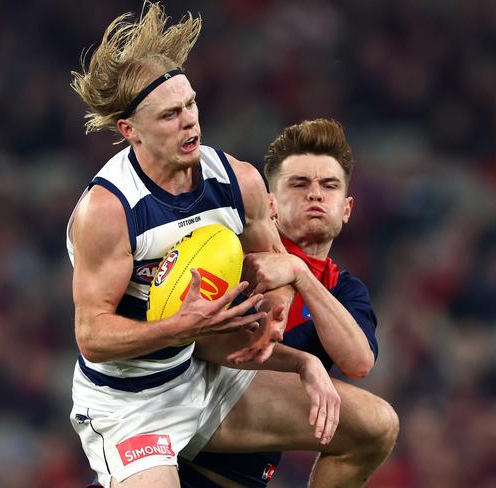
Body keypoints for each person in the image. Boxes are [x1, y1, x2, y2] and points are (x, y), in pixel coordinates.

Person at [67, 3, 341, 487]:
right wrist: (179, 326)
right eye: (171, 115)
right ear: (130, 131)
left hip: (203, 373)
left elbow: (273, 265)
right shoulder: (108, 211)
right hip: (133, 403)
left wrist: (274, 314)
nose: (190, 122)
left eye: (191, 104)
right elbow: (93, 336)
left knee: (375, 428)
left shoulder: (238, 181)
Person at [177, 119, 398, 487]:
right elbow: (193, 337)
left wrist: (300, 274)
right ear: (270, 205)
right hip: (183, 438)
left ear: (346, 208)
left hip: (238, 476)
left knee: (374, 431)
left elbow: (359, 362)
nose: (315, 195)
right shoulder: (235, 250)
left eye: (329, 186)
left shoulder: (344, 290)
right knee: (376, 425)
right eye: (299, 184)